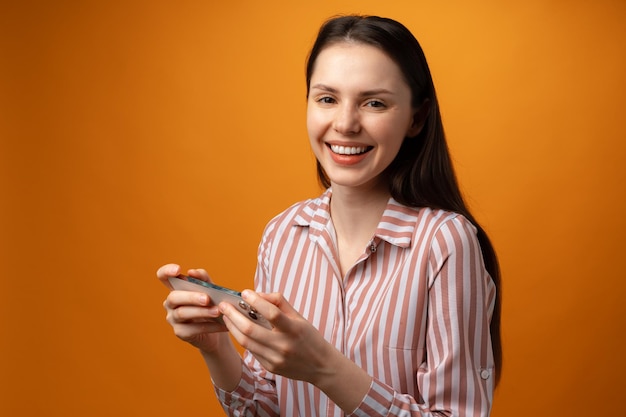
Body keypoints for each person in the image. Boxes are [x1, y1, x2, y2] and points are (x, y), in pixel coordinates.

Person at [158, 14, 502, 417]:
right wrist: (215, 348)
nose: (345, 123)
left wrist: (324, 368)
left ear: (416, 117)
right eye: (327, 98)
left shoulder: (445, 242)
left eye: (374, 102)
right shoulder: (282, 234)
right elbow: (266, 408)